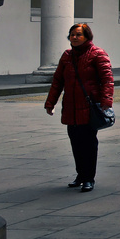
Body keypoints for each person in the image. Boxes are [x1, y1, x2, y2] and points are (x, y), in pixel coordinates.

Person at [45, 22, 113, 191]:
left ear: (87, 36)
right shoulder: (67, 56)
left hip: (89, 107)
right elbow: (58, 81)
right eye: (72, 35)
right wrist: (50, 102)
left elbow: (107, 80)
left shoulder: (97, 54)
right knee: (75, 142)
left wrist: (106, 101)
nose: (74, 37)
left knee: (89, 143)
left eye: (78, 34)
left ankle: (89, 177)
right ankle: (80, 175)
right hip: (71, 106)